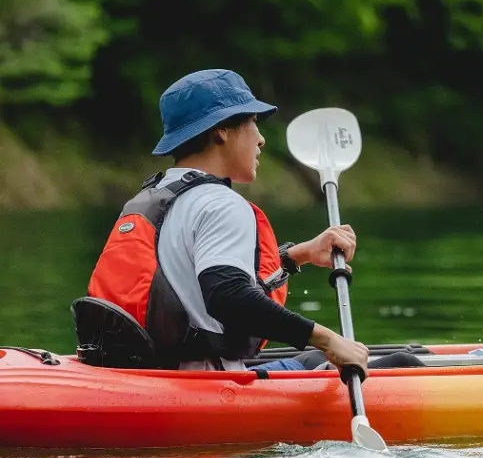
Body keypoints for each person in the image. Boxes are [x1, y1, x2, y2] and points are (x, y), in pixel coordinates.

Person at [85, 69, 371, 373]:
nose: (261, 140)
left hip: (153, 371)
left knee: (315, 362)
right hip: (207, 385)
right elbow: (228, 296)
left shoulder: (158, 195)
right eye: (253, 123)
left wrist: (299, 254)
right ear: (221, 129)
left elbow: (199, 283)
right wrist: (327, 340)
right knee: (399, 363)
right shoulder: (220, 203)